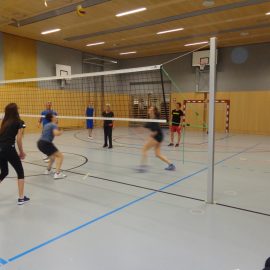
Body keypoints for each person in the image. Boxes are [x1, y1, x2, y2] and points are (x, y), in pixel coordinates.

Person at [0, 103, 29, 205]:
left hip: (0, 148)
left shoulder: (4, 122)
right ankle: (21, 198)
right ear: (15, 111)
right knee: (20, 171)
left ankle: (21, 197)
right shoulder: (19, 122)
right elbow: (19, 139)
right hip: (8, 148)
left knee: (4, 172)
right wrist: (21, 152)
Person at [138, 106, 176, 172]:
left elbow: (155, 132)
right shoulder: (151, 119)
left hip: (157, 137)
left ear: (154, 111)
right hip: (159, 136)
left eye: (151, 109)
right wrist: (139, 129)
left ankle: (143, 167)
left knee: (144, 149)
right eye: (149, 108)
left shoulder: (154, 120)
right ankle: (171, 165)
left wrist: (149, 137)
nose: (149, 109)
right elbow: (145, 127)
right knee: (157, 154)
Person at [37, 113, 66, 179]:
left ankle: (47, 170)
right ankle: (57, 173)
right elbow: (56, 133)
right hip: (46, 143)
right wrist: (61, 132)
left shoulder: (46, 125)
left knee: (52, 157)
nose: (56, 117)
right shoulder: (53, 125)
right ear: (52, 118)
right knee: (60, 156)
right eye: (54, 116)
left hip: (40, 143)